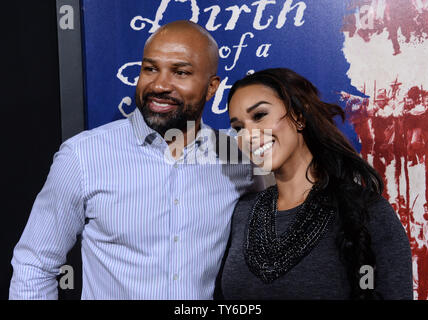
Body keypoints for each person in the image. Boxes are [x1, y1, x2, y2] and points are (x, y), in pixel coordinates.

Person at [9, 21, 260, 300]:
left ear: (211, 87)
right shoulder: (83, 156)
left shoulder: (238, 156)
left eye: (180, 72)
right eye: (150, 69)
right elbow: (34, 265)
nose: (160, 84)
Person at [218, 68, 413, 299]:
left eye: (259, 115)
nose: (248, 136)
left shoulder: (368, 211)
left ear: (299, 116)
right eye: (238, 127)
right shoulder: (241, 213)